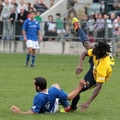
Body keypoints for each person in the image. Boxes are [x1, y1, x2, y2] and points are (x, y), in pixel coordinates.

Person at [61, 17, 114, 112]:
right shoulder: (96, 51)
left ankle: (72, 108)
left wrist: (88, 102)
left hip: (95, 75)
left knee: (77, 90)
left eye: (95, 52)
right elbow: (84, 53)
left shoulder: (103, 66)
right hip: (95, 64)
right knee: (87, 45)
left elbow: (99, 87)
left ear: (100, 55)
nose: (93, 52)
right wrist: (80, 65)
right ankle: (77, 28)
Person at [10, 76, 83, 114]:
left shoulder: (38, 96)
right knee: (56, 86)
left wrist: (19, 112)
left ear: (38, 87)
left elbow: (34, 112)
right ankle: (67, 106)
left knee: (56, 87)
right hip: (54, 105)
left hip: (50, 110)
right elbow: (70, 97)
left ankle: (67, 106)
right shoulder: (53, 90)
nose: (33, 86)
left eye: (34, 85)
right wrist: (80, 87)